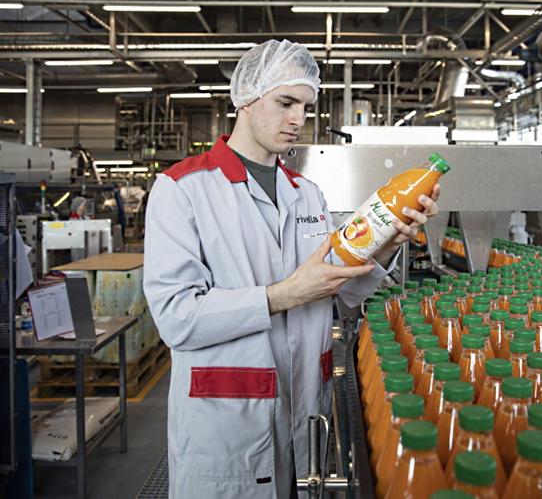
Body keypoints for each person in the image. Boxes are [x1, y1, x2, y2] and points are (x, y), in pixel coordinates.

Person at [143, 40, 440, 499]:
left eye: (306, 106)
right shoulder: (183, 188)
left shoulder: (307, 193)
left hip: (306, 404)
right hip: (229, 416)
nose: (298, 119)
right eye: (285, 103)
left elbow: (338, 289)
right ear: (245, 98)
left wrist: (383, 247)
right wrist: (283, 295)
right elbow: (176, 317)